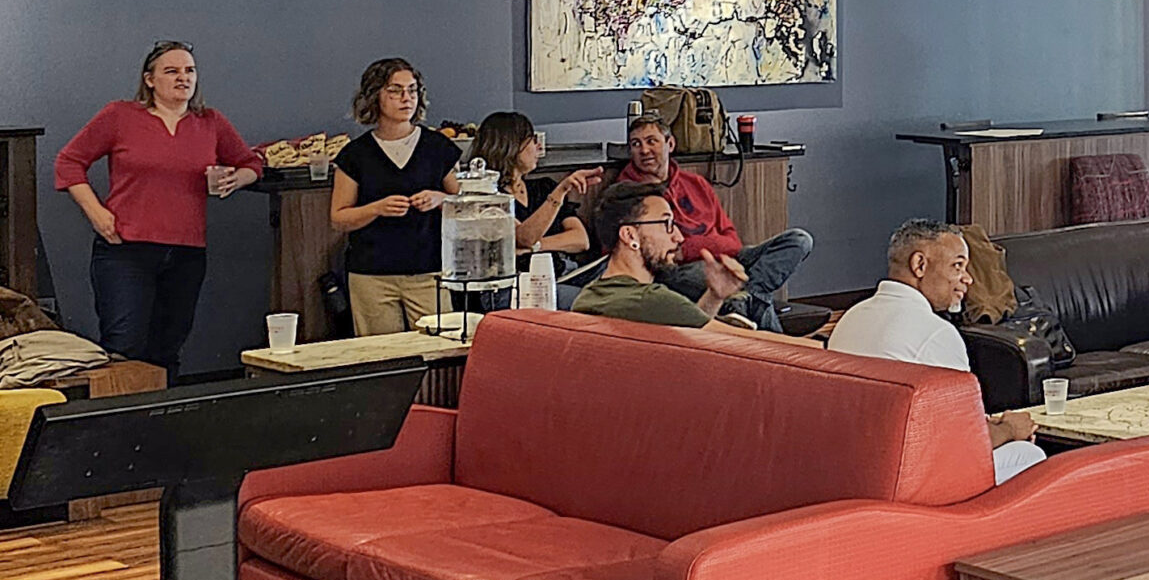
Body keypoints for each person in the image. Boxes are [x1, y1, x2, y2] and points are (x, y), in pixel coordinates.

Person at [53, 41, 265, 372]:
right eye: (172, 71)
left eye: (189, 71)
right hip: (126, 249)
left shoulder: (210, 122)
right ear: (150, 79)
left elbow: (251, 163)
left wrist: (236, 179)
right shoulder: (120, 116)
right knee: (124, 346)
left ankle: (162, 421)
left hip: (186, 253)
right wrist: (96, 213)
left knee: (168, 346)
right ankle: (119, 420)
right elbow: (68, 162)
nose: (183, 78)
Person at [830, 219, 1046, 482]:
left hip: (854, 469)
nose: (968, 279)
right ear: (919, 265)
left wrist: (993, 426)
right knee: (1028, 455)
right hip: (909, 479)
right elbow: (965, 442)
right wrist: (1012, 430)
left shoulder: (852, 317)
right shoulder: (935, 334)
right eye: (957, 266)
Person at [613, 114, 812, 333]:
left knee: (799, 240)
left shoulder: (695, 183)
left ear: (670, 144)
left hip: (728, 259)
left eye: (652, 141)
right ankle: (771, 336)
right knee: (745, 292)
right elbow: (639, 253)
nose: (644, 150)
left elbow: (733, 242)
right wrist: (708, 246)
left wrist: (691, 247)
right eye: (636, 144)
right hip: (679, 269)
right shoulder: (626, 192)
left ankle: (746, 297)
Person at [573, 181, 817, 344]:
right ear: (630, 236)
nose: (678, 237)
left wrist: (714, 296)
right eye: (666, 223)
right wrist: (825, 348)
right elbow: (753, 346)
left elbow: (690, 333)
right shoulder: (650, 300)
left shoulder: (589, 297)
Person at [330, 58, 461, 335]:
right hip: (372, 274)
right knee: (381, 355)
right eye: (395, 90)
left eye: (412, 90)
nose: (406, 98)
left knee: (439, 347)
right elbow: (339, 218)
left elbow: (467, 205)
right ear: (374, 96)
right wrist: (376, 208)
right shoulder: (356, 154)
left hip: (429, 270)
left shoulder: (438, 147)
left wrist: (440, 199)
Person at [468, 112, 602, 267]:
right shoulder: (489, 197)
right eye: (532, 140)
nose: (539, 147)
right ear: (512, 146)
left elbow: (581, 240)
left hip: (564, 271)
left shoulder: (543, 187)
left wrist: (534, 247)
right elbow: (524, 237)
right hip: (521, 281)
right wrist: (560, 191)